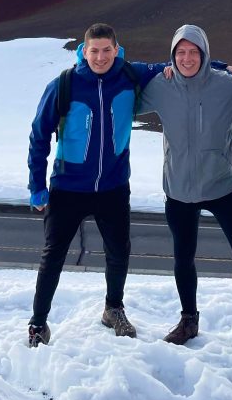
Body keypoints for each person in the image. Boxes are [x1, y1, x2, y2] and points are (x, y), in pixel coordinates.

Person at [26, 21, 165, 347]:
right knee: (53, 257)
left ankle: (113, 309)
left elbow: (180, 65)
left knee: (119, 252)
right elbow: (39, 136)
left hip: (113, 187)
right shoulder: (64, 85)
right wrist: (36, 185)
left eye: (106, 51)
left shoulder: (130, 76)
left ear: (116, 50)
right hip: (68, 187)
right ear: (83, 51)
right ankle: (38, 323)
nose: (100, 57)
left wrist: (217, 65)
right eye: (94, 51)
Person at [137, 24, 232, 349]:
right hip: (179, 190)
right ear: (172, 56)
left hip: (222, 186)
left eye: (193, 51)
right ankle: (188, 321)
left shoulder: (228, 87)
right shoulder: (160, 86)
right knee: (183, 259)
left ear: (204, 53)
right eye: (180, 52)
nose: (187, 58)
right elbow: (126, 94)